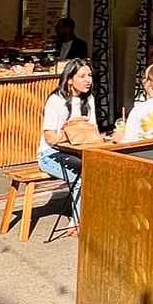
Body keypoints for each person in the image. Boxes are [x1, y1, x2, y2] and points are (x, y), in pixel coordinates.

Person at [37, 57, 93, 231]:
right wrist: (72, 132)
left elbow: (92, 131)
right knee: (80, 178)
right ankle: (76, 222)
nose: (88, 80)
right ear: (69, 79)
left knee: (100, 171)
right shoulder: (56, 100)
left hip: (78, 153)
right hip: (50, 154)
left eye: (90, 76)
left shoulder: (88, 100)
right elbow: (50, 137)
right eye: (82, 76)